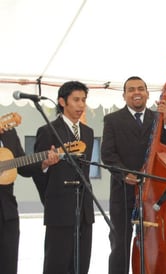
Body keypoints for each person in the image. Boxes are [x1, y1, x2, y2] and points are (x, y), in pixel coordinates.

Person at [101, 76, 166, 274]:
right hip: (124, 193)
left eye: (140, 89)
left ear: (147, 93)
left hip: (154, 196)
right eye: (131, 89)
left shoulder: (158, 117)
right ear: (124, 95)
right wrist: (124, 173)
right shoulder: (112, 120)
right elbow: (107, 155)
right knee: (120, 245)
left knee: (154, 243)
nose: (136, 93)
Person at [33, 81, 95, 274]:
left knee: (81, 265)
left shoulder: (88, 132)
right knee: (57, 265)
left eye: (83, 100)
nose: (81, 105)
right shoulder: (47, 131)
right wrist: (50, 200)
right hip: (59, 210)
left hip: (84, 209)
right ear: (62, 101)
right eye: (76, 100)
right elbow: (38, 173)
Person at [0, 124, 58, 274]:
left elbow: (22, 166)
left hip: (7, 213)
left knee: (8, 266)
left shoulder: (8, 131)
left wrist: (44, 162)